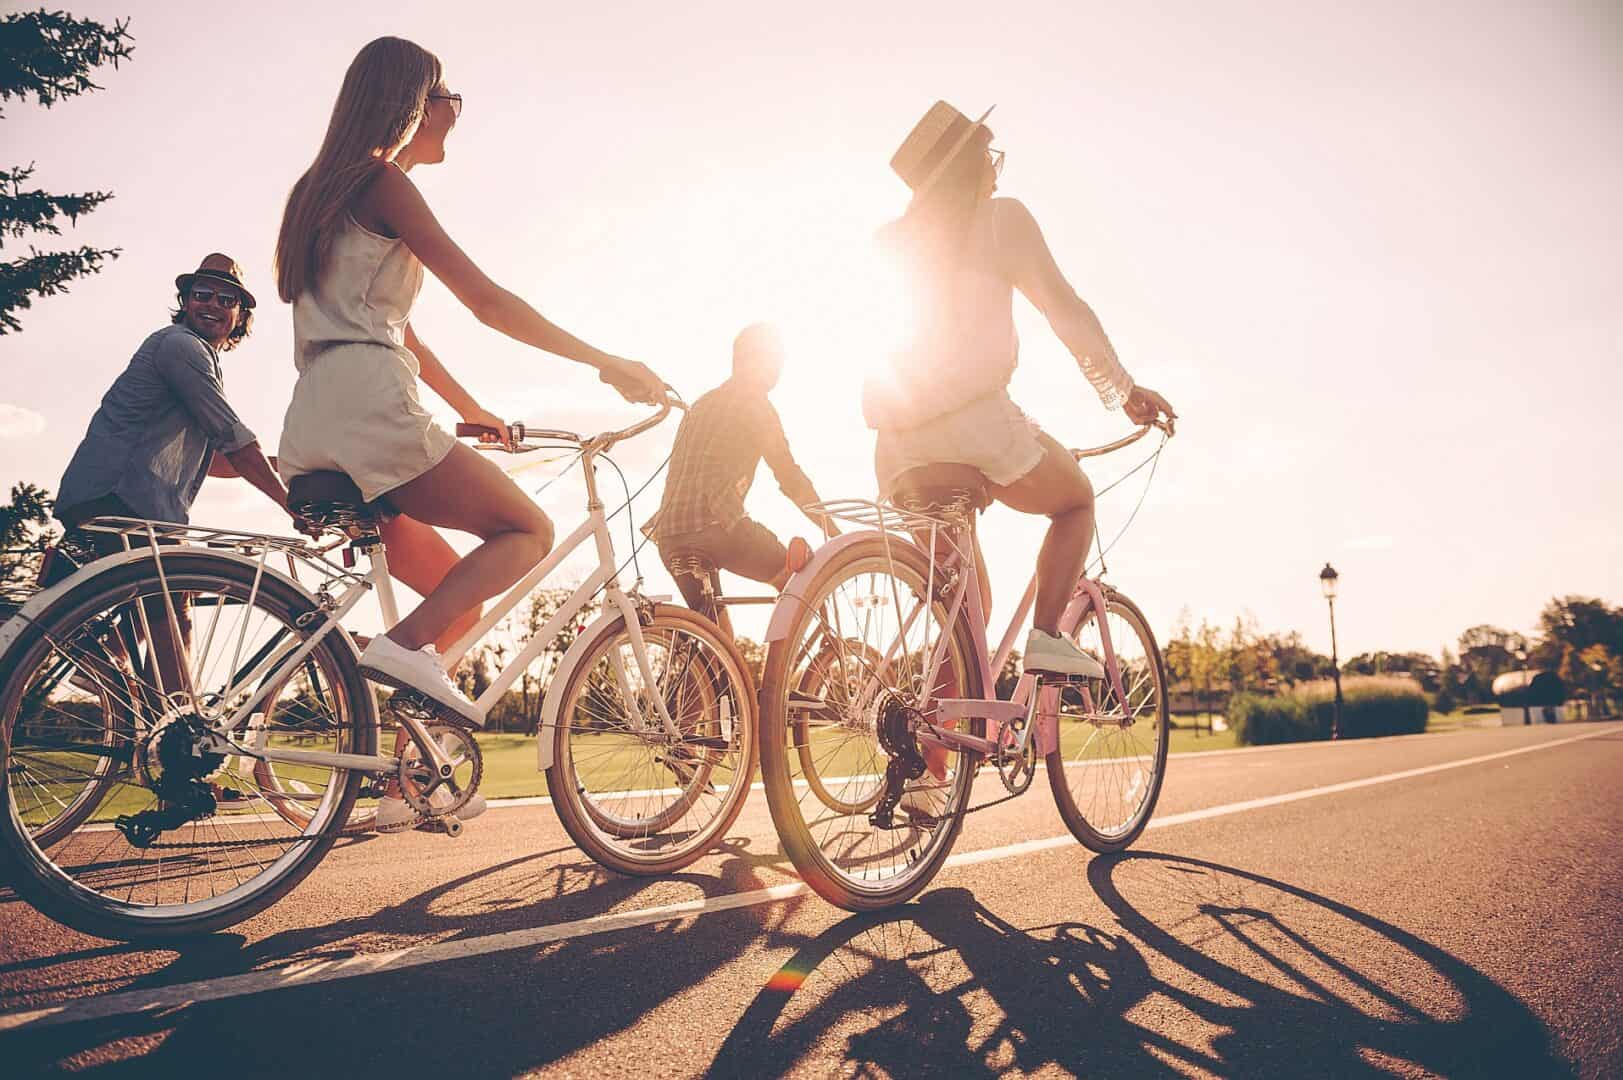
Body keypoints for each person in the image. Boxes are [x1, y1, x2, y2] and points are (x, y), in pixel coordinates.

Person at [274, 36, 664, 732]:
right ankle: (396, 651)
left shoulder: (315, 193)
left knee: (458, 598)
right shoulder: (382, 180)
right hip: (372, 407)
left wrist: (471, 409)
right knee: (526, 529)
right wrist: (604, 360)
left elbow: (404, 335)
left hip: (312, 418)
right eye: (446, 97)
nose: (455, 111)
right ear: (412, 106)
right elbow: (486, 301)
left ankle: (404, 774)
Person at [865, 101, 1176, 683]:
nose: (995, 167)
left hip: (897, 446)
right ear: (967, 165)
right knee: (1076, 499)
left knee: (965, 612)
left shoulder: (891, 243)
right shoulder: (999, 220)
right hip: (977, 430)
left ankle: (930, 762)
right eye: (987, 154)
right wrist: (1124, 389)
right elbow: (1066, 311)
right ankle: (1049, 636)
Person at [51, 254, 294, 695]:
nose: (213, 304)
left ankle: (115, 676)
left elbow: (220, 460)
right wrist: (290, 504)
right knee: (169, 604)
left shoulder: (193, 356)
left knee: (163, 603)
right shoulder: (180, 347)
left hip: (123, 502)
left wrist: (291, 467)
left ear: (240, 316)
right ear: (184, 301)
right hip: (119, 499)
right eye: (202, 294)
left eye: (227, 299)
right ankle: (182, 735)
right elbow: (234, 440)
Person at [645, 323, 836, 637]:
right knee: (797, 582)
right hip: (718, 527)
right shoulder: (756, 405)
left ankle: (714, 684)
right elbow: (789, 477)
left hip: (669, 537)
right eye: (775, 361)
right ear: (752, 361)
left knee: (718, 641)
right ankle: (779, 676)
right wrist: (830, 526)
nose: (778, 371)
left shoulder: (702, 404)